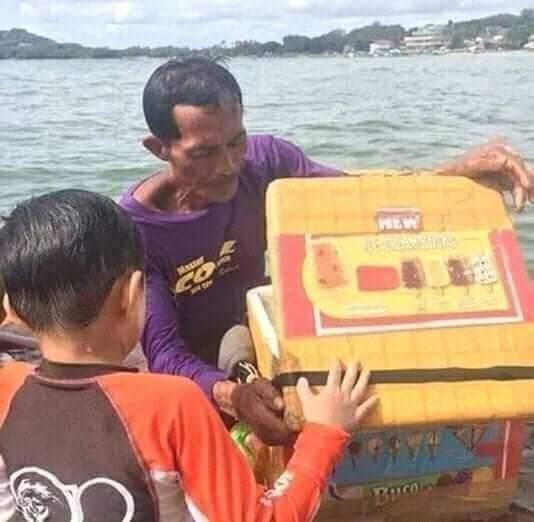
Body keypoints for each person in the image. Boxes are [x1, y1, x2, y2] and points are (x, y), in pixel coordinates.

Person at [120, 57, 534, 445]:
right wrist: (234, 396)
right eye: (204, 153)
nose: (228, 165)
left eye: (236, 142)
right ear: (159, 149)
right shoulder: (136, 232)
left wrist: (460, 173)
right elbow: (166, 354)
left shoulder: (264, 163)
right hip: (203, 372)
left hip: (261, 334)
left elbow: (354, 198)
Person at [0, 189, 377, 521]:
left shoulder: (6, 388)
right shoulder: (171, 404)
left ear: (12, 310)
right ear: (132, 293)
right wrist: (325, 431)